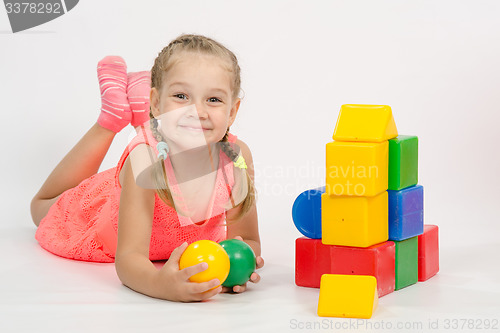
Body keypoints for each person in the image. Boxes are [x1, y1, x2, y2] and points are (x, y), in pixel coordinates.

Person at [30, 34, 264, 302]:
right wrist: (159, 284)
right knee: (40, 208)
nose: (197, 111)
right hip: (103, 214)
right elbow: (129, 259)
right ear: (157, 101)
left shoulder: (236, 157)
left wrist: (236, 266)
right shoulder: (143, 160)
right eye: (181, 96)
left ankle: (151, 118)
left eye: (213, 100)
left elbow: (246, 239)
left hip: (149, 170)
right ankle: (111, 119)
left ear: (233, 111)